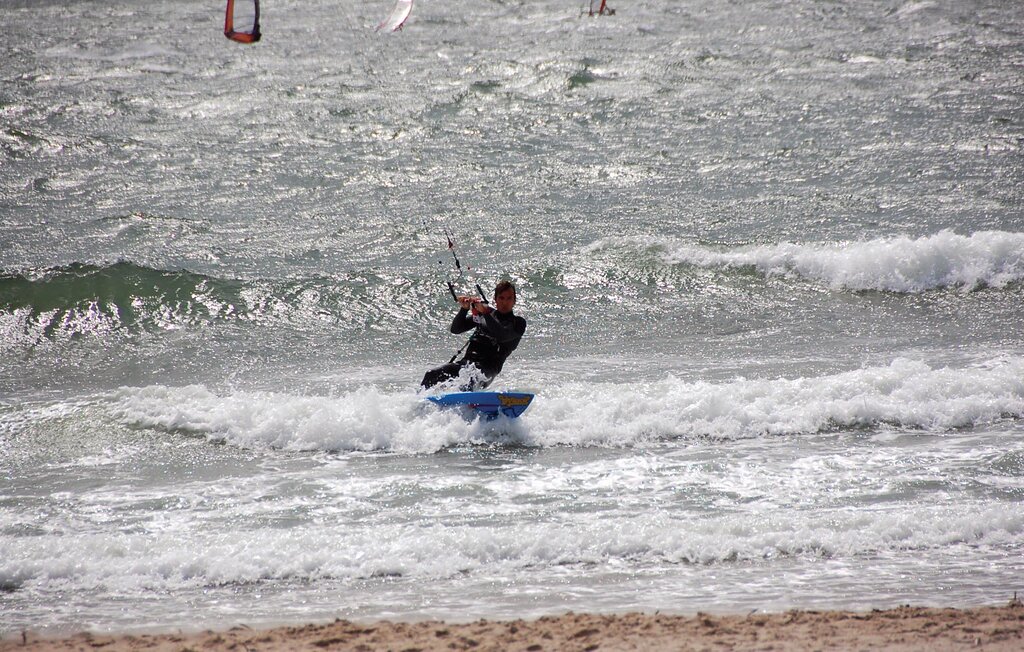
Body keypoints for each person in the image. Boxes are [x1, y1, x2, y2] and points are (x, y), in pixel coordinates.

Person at [421, 280, 526, 391]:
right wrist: (464, 309)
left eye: (509, 298)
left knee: (470, 380)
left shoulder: (518, 323)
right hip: (466, 364)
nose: (505, 302)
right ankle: (419, 404)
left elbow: (501, 335)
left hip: (487, 369)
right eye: (501, 298)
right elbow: (456, 329)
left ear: (514, 301)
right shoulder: (485, 316)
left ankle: (466, 405)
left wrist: (485, 313)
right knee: (431, 374)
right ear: (495, 300)